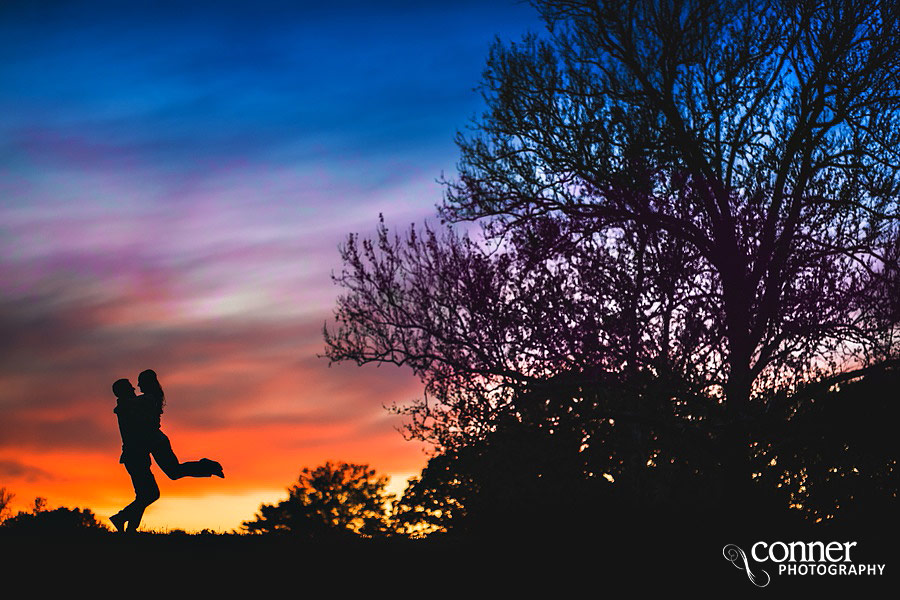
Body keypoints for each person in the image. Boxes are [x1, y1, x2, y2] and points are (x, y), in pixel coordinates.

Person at [136, 369, 224, 479]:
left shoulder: (148, 399)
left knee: (174, 472)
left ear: (147, 382)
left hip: (157, 441)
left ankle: (207, 466)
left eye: (140, 381)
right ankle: (207, 467)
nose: (138, 385)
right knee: (174, 472)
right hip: (155, 440)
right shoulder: (149, 398)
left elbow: (131, 404)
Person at [109, 379, 159, 533]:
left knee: (144, 495)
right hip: (135, 456)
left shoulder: (128, 405)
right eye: (129, 386)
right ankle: (120, 517)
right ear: (124, 391)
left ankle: (130, 529)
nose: (133, 388)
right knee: (151, 494)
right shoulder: (127, 407)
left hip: (136, 455)